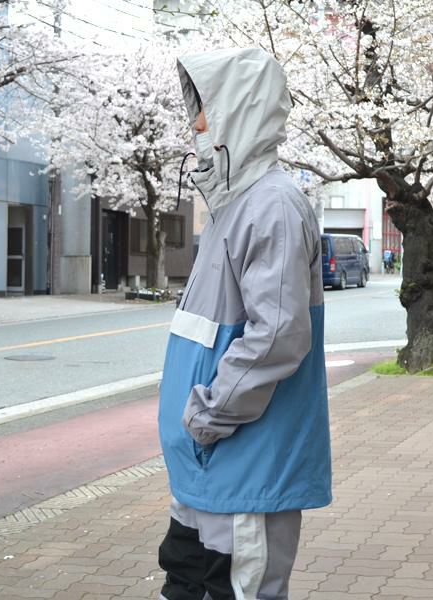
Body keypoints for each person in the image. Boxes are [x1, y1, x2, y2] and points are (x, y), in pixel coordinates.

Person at [158, 47, 332, 600]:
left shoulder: (271, 205)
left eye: (205, 108)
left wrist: (207, 419)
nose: (196, 123)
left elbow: (277, 335)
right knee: (188, 584)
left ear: (240, 111)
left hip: (241, 462)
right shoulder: (233, 204)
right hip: (210, 465)